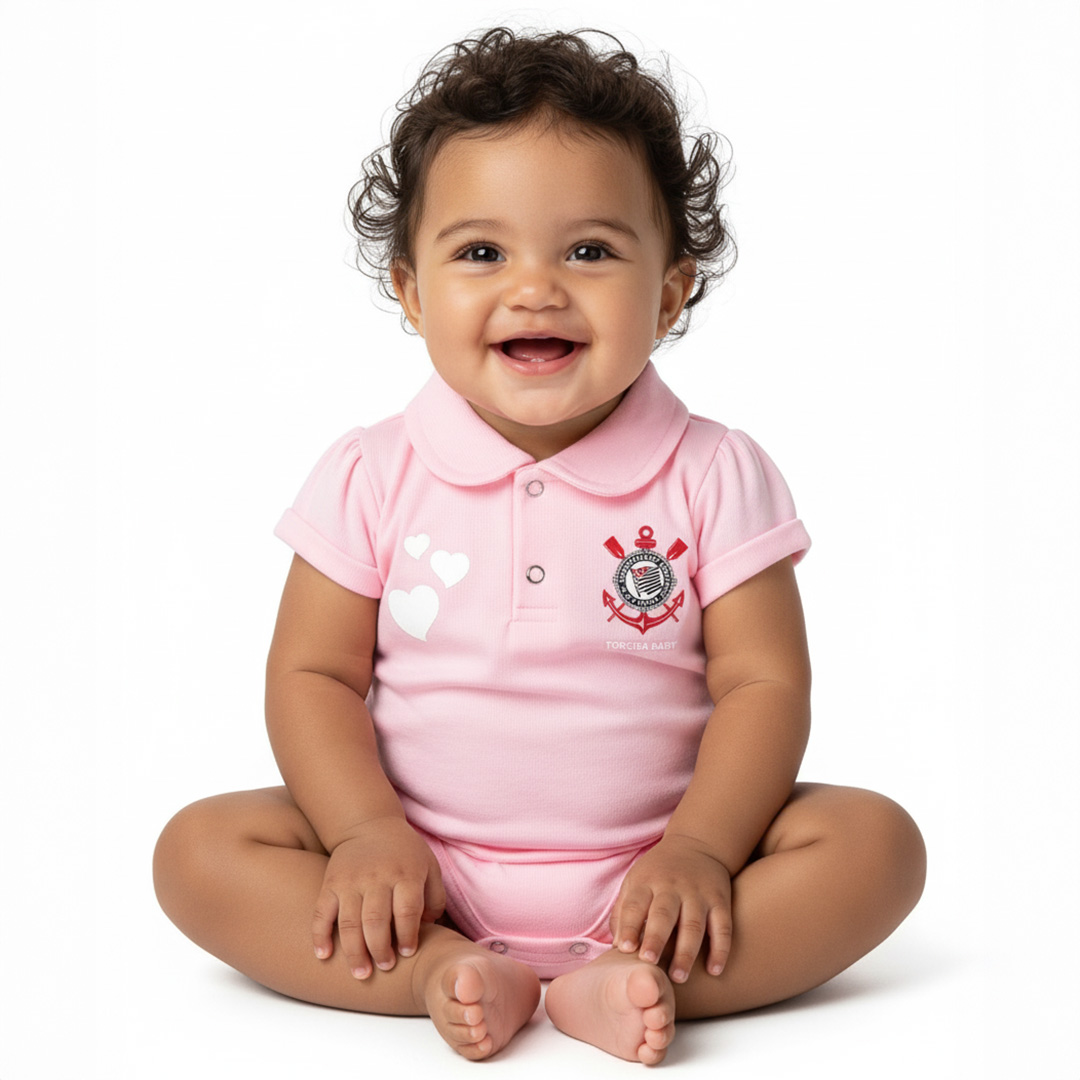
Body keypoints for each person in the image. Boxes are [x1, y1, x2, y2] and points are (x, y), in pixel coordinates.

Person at [153, 27, 926, 1066]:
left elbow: (763, 683)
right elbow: (312, 675)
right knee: (198, 850)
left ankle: (634, 977)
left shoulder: (712, 471)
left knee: (877, 845)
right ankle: (438, 971)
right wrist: (367, 835)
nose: (535, 288)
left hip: (659, 873)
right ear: (412, 291)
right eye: (482, 252)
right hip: (421, 872)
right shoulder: (372, 472)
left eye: (590, 251)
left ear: (669, 293)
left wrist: (700, 849)